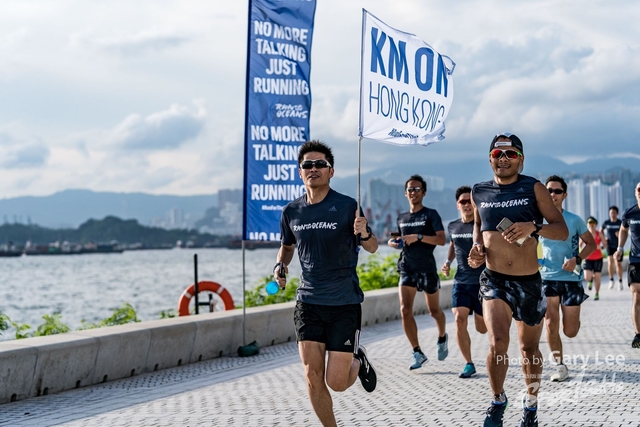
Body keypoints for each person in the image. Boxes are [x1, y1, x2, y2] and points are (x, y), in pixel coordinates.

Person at [273, 140, 379, 427]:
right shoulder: (291, 211)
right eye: (307, 164)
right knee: (312, 375)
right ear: (300, 172)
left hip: (344, 303)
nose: (314, 168)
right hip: (308, 303)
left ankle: (357, 359)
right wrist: (280, 265)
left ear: (331, 171)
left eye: (320, 164)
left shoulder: (347, 206)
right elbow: (287, 246)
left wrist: (365, 233)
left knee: (337, 382)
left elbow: (372, 247)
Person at [468, 132, 568, 427]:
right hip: (494, 281)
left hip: (528, 282)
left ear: (520, 160)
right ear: (490, 159)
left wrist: (533, 227)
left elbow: (561, 229)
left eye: (510, 154)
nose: (503, 159)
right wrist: (476, 250)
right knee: (498, 342)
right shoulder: (479, 191)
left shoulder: (534, 188)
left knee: (528, 349)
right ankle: (498, 400)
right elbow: (478, 227)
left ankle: (531, 405)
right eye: (497, 154)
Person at [387, 174, 448, 370]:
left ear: (424, 193)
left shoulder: (431, 214)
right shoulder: (401, 217)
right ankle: (417, 352)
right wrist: (393, 242)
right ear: (405, 193)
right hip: (407, 267)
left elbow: (441, 240)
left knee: (434, 311)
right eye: (410, 189)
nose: (413, 192)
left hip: (427, 268)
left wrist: (419, 237)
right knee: (405, 310)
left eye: (417, 189)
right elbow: (398, 239)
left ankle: (442, 336)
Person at [539, 175, 595, 382]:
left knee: (570, 331)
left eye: (557, 191)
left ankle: (573, 319)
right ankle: (560, 366)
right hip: (547, 278)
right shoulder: (537, 221)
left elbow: (591, 244)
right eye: (549, 191)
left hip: (571, 279)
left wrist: (577, 259)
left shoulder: (574, 219)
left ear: (565, 195)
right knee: (550, 323)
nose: (552, 194)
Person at [441, 186, 487, 378]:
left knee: (482, 328)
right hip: (461, 282)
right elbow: (453, 244)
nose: (467, 204)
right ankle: (469, 363)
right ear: (457, 205)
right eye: (463, 201)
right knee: (459, 319)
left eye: (470, 201)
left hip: (482, 283)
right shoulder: (453, 226)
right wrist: (447, 262)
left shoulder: (482, 225)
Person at [614, 181, 640, 349]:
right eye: (639, 189)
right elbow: (623, 230)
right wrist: (620, 248)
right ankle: (638, 334)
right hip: (635, 261)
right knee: (637, 293)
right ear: (635, 192)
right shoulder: (629, 213)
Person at [602, 206, 624, 290]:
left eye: (614, 213)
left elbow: (625, 232)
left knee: (618, 264)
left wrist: (619, 235)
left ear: (617, 214)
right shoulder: (606, 223)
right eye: (611, 212)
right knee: (610, 262)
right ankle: (611, 280)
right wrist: (604, 240)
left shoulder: (620, 223)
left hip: (618, 247)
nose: (613, 214)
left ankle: (620, 281)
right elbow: (600, 231)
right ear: (609, 213)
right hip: (609, 246)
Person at [583, 216, 604, 300]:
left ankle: (597, 293)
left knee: (597, 277)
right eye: (590, 223)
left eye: (593, 223)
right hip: (588, 258)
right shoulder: (585, 234)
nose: (591, 225)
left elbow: (605, 245)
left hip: (598, 258)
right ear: (587, 224)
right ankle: (590, 279)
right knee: (587, 276)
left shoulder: (599, 234)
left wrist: (600, 247)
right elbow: (579, 245)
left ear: (596, 225)